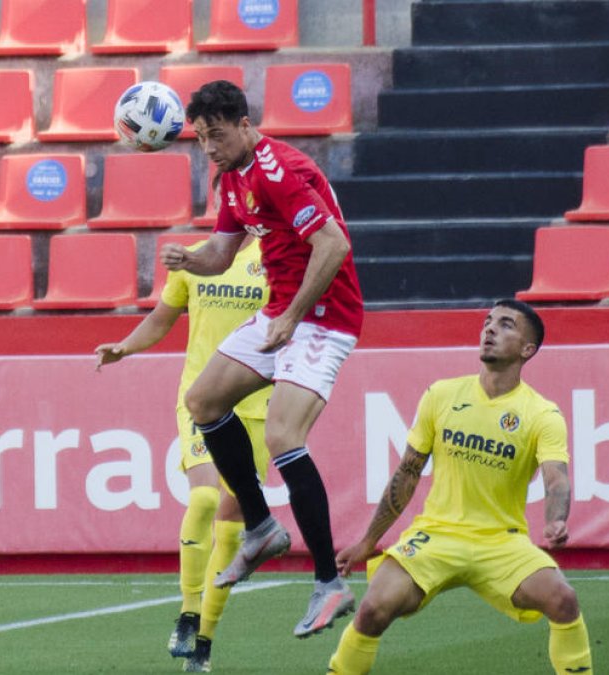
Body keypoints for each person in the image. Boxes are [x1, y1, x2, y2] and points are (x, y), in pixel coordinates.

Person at [160, 79, 365, 639]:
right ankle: (260, 527)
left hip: (324, 318)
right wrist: (188, 259)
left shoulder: (281, 170)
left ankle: (329, 583)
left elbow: (333, 245)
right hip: (282, 312)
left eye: (217, 135)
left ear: (244, 125)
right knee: (201, 400)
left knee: (281, 437)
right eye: (201, 139)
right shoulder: (231, 176)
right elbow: (223, 255)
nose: (209, 148)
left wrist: (292, 318)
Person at [326, 299, 594, 675]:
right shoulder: (442, 394)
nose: (489, 330)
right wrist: (368, 541)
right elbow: (407, 473)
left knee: (563, 600)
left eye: (505, 325)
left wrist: (556, 519)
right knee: (373, 609)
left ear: (527, 349)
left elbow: (557, 478)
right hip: (436, 535)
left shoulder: (541, 413)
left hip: (501, 541)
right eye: (487, 322)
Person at [96, 235, 272, 673]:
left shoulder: (277, 260)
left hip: (257, 405)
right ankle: (189, 613)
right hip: (201, 397)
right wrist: (125, 347)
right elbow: (161, 318)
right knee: (205, 498)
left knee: (232, 531)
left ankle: (205, 643)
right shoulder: (194, 257)